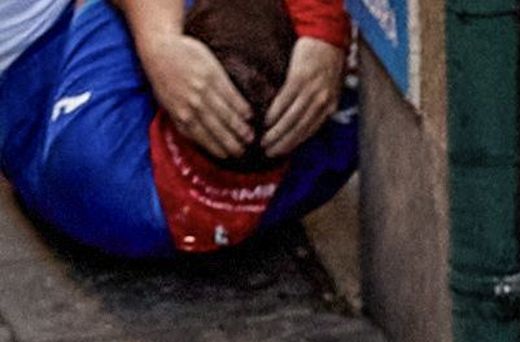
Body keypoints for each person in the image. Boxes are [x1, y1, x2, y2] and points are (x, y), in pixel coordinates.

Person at [0, 0, 354, 260]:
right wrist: (324, 27)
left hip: (34, 75)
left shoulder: (98, 153)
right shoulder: (338, 143)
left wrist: (160, 42)